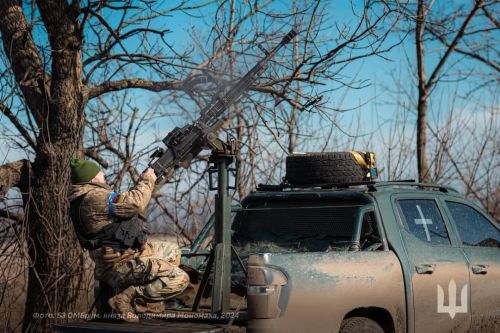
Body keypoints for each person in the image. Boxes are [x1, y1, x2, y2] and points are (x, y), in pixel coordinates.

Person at [68, 159, 189, 322]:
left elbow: (126, 204)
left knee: (172, 250)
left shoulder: (86, 197)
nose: (103, 174)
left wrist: (143, 181)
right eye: (99, 173)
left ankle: (148, 304)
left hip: (124, 256)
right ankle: (127, 299)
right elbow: (135, 203)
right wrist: (148, 179)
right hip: (118, 266)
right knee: (180, 279)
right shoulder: (94, 198)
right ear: (92, 179)